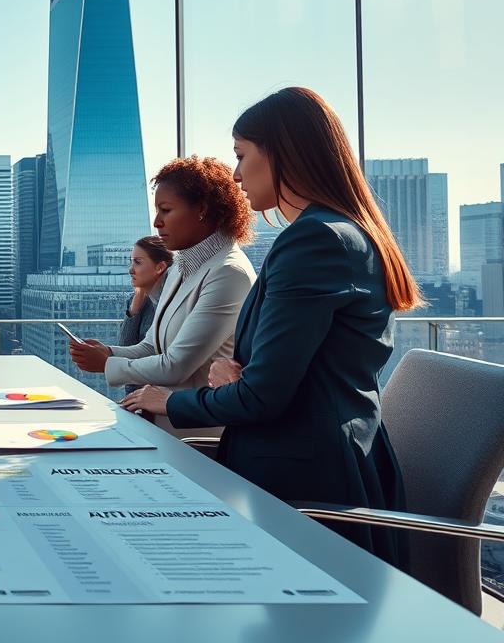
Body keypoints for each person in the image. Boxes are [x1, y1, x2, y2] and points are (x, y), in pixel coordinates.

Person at [122, 86, 418, 566]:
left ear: (283, 153)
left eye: (242, 155)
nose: (236, 175)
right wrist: (240, 377)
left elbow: (261, 395)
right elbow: (281, 376)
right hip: (321, 467)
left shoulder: (314, 242)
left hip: (302, 493)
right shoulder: (344, 233)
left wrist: (173, 400)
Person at [71, 157, 256, 434]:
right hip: (159, 425)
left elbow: (175, 366)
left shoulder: (229, 273)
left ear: (202, 210)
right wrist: (107, 351)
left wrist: (107, 364)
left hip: (193, 435)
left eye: (166, 210)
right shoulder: (181, 266)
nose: (156, 222)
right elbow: (152, 346)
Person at [118, 236, 172, 348]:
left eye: (137, 262)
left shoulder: (173, 300)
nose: (130, 270)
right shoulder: (136, 299)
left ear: (160, 267)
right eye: (131, 262)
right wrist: (135, 305)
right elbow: (125, 346)